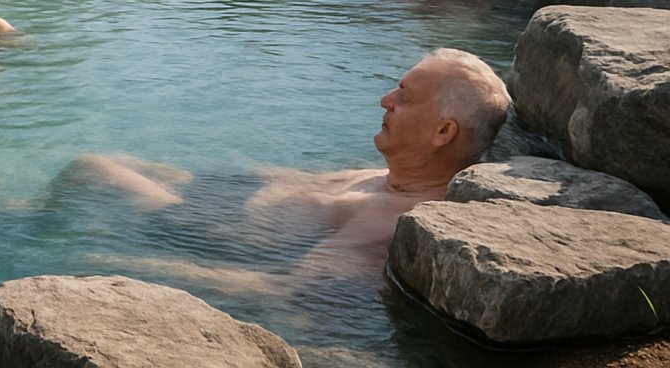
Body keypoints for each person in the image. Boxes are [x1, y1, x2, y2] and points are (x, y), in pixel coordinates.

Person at [77, 48, 511, 291]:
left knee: (91, 167)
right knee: (115, 166)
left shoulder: (394, 222)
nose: (385, 100)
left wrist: (118, 267)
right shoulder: (394, 178)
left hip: (198, 230)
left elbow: (277, 287)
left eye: (405, 96)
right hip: (221, 202)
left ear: (442, 132)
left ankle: (30, 219)